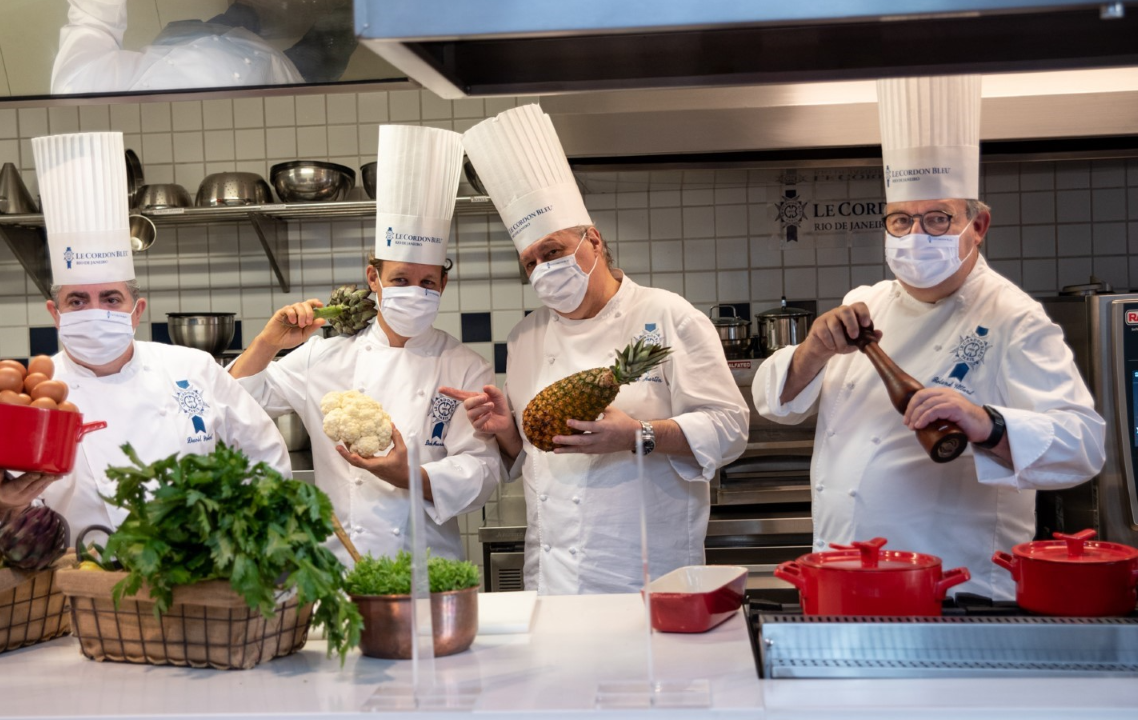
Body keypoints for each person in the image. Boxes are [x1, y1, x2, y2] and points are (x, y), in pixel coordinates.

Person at [751, 75, 1105, 599]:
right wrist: (813, 350)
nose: (917, 236)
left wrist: (985, 424)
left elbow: (1083, 446)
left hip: (952, 587)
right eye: (901, 220)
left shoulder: (1014, 317)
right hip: (844, 576)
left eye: (938, 219)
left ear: (978, 225)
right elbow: (776, 406)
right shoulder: (865, 301)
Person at [448, 104, 750, 595]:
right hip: (553, 577)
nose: (543, 268)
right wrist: (507, 431)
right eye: (531, 262)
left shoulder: (669, 316)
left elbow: (731, 427)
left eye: (553, 251)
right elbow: (532, 454)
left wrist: (638, 435)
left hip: (648, 574)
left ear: (594, 240)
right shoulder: (525, 338)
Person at [0, 132, 290, 542]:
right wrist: (5, 504)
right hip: (77, 591)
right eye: (78, 301)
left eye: (111, 298)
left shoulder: (193, 369)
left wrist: (240, 539)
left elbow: (266, 457)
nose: (96, 311)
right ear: (55, 314)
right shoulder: (29, 399)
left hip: (194, 587)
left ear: (137, 311)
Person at [230, 125, 501, 563]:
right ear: (374, 279)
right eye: (400, 279)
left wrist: (409, 474)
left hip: (427, 567)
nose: (415, 291)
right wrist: (268, 340)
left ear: (443, 284)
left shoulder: (465, 366)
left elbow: (483, 470)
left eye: (427, 282)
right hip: (341, 568)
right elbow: (239, 400)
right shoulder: (323, 356)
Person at [50, 0, 357, 94]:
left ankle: (250, 11)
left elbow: (93, 20)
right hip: (280, 77)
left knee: (243, 13)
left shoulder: (77, 88)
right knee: (331, 44)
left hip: (195, 37)